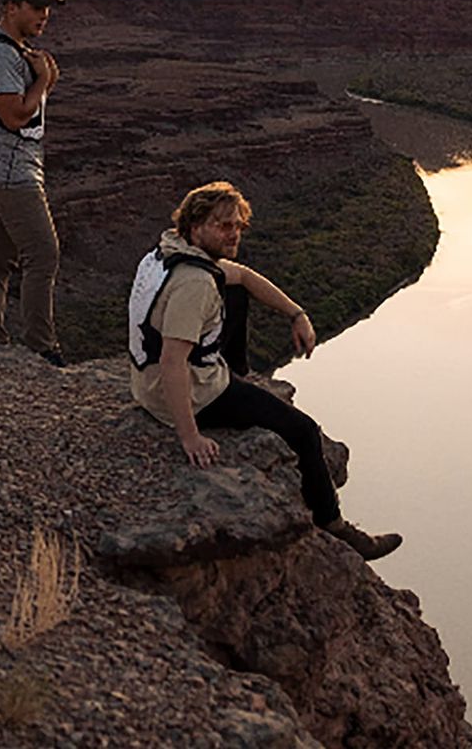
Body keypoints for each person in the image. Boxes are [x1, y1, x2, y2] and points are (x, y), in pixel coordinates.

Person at [127, 181, 402, 561]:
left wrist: (297, 314)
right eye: (224, 226)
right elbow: (174, 361)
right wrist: (189, 435)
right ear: (195, 227)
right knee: (304, 431)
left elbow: (244, 277)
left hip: (146, 381)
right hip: (191, 393)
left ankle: (236, 370)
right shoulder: (195, 284)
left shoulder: (166, 254)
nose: (234, 233)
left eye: (238, 225)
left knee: (237, 289)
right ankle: (334, 525)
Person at [0, 0, 65, 366]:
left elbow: (23, 109)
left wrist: (44, 81)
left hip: (4, 165)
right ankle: (42, 348)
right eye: (36, 7)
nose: (44, 15)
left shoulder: (10, 49)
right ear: (11, 8)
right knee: (43, 254)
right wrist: (43, 80)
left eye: (47, 8)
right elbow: (12, 116)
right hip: (10, 170)